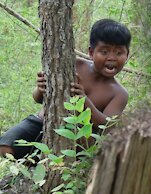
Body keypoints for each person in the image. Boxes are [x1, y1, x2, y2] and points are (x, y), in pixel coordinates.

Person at [0, 18, 131, 160]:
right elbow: (38, 99)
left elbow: (106, 125)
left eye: (119, 53)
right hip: (42, 122)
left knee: (74, 157)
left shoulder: (119, 94)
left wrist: (83, 100)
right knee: (5, 147)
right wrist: (40, 88)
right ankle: (28, 168)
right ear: (91, 52)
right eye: (104, 52)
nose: (112, 58)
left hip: (78, 137)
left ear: (127, 55)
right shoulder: (75, 65)